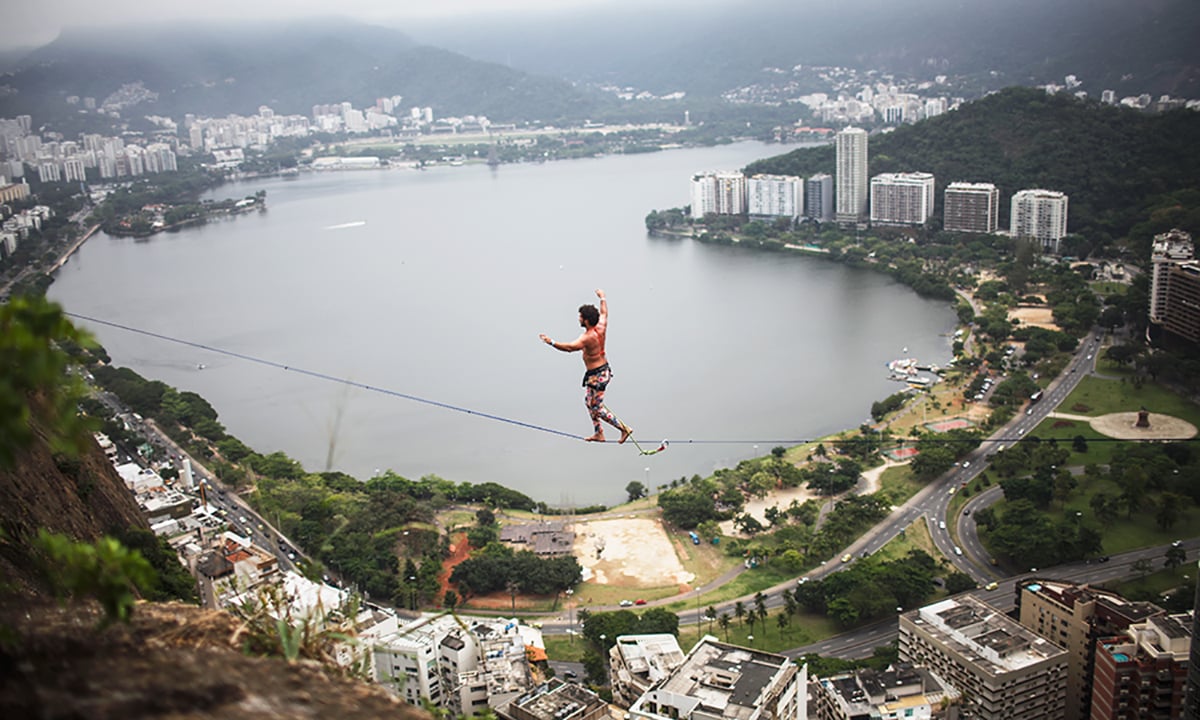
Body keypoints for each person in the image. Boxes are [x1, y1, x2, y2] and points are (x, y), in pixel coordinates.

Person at [539, 289, 633, 443]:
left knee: (597, 408)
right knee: (589, 402)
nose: (579, 319)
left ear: (587, 321)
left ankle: (624, 429)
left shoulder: (587, 338)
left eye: (580, 317)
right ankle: (599, 433)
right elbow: (604, 313)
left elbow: (570, 347)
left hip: (598, 376)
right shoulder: (601, 326)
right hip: (599, 373)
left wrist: (551, 342)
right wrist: (602, 298)